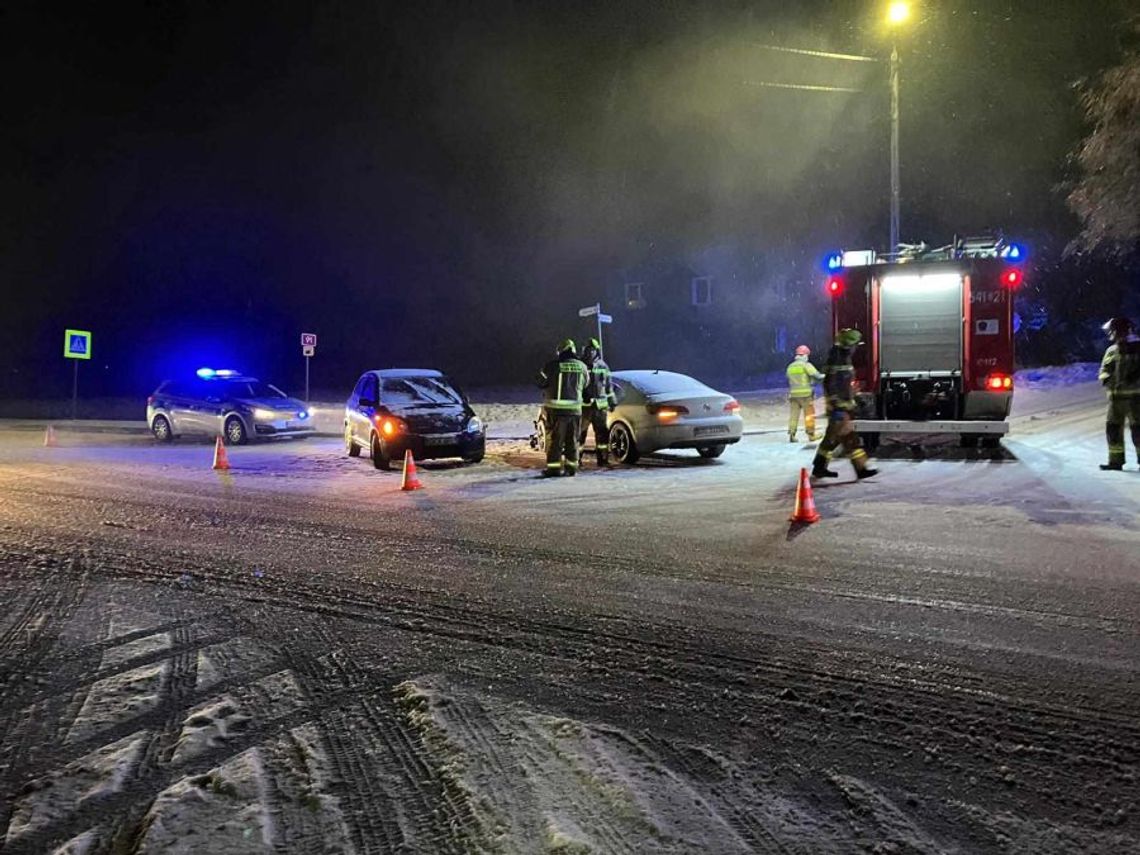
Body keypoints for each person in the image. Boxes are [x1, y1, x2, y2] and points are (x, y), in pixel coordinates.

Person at [811, 328, 878, 480]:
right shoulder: (837, 360)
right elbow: (831, 384)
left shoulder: (841, 358)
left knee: (835, 439)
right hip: (839, 409)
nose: (856, 348)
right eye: (855, 345)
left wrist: (853, 396)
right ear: (848, 345)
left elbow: (843, 384)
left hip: (842, 408)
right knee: (847, 439)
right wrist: (837, 404)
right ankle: (860, 469)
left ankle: (820, 467)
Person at [536, 339, 587, 476]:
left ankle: (554, 469)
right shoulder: (582, 366)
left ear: (561, 351)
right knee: (573, 441)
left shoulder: (552, 366)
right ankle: (571, 468)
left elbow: (540, 382)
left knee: (556, 441)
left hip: (557, 411)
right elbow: (586, 384)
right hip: (576, 412)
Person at [1097, 316, 1140, 471]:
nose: (1112, 335)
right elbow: (1104, 369)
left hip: (1136, 399)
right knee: (1113, 429)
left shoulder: (1138, 348)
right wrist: (1106, 378)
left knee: (1138, 430)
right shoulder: (1112, 350)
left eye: (1114, 331)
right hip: (1115, 400)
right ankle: (1115, 461)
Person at [578, 338, 617, 465]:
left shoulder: (603, 366)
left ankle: (603, 459)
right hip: (584, 407)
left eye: (593, 350)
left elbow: (609, 386)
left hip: (600, 407)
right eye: (588, 350)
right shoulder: (580, 365)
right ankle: (576, 459)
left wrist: (612, 401)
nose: (590, 352)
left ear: (596, 351)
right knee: (580, 434)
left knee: (602, 435)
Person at [786, 344, 824, 442]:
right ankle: (811, 435)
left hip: (793, 395)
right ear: (805, 355)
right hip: (806, 395)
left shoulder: (790, 366)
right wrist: (827, 375)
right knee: (809, 415)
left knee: (794, 415)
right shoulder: (806, 365)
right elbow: (817, 376)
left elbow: (789, 379)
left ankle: (792, 434)